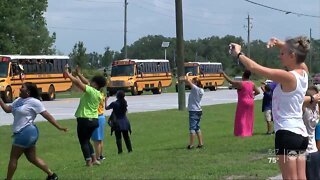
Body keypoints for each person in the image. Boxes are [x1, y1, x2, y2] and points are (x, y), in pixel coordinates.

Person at [229, 36, 310, 179]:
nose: (280, 56)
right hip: (301, 135)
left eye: (282, 53)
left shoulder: (288, 77)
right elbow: (299, 53)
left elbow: (255, 68)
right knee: (301, 177)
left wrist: (239, 54)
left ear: (292, 55)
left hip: (287, 134)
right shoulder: (304, 72)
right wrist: (279, 44)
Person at [0, 82, 67, 180]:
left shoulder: (34, 102)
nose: (20, 88)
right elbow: (7, 109)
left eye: (22, 87)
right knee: (32, 158)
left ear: (28, 91)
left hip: (25, 132)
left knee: (13, 158)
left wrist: (59, 127)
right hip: (28, 133)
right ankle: (52, 175)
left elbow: (46, 115)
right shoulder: (18, 100)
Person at [64, 67, 106, 166]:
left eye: (92, 82)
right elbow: (85, 82)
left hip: (84, 119)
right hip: (94, 120)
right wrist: (78, 74)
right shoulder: (98, 93)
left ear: (95, 84)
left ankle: (88, 161)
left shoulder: (91, 91)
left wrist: (69, 75)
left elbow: (79, 84)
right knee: (87, 140)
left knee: (83, 141)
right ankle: (94, 159)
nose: (90, 82)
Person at [223, 70, 260, 137]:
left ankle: (242, 132)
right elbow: (258, 92)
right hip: (251, 101)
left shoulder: (241, 83)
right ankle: (249, 132)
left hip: (243, 102)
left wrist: (223, 74)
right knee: (249, 117)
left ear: (243, 76)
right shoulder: (252, 83)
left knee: (241, 117)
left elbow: (231, 81)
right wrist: (253, 95)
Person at [302, 86, 320, 180]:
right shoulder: (316, 109)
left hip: (306, 152)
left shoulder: (305, 111)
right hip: (314, 151)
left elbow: (297, 101)